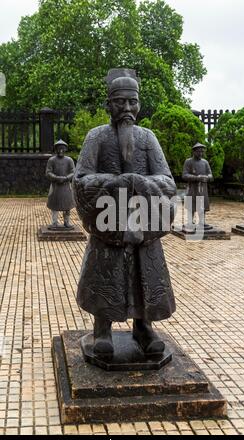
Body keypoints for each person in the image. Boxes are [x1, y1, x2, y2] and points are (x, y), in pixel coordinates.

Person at [73, 69, 176, 357]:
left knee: (145, 273)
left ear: (139, 104)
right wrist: (114, 182)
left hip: (142, 221)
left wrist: (142, 182)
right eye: (120, 102)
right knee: (107, 273)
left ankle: (144, 328)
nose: (127, 109)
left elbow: (167, 181)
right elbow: (81, 179)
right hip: (109, 222)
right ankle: (101, 329)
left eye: (133, 102)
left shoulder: (148, 138)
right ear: (109, 105)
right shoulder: (97, 137)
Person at [182, 143, 213, 229]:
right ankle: (190, 221)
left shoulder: (205, 162)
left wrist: (207, 177)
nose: (201, 153)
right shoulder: (188, 161)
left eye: (202, 152)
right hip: (192, 187)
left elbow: (210, 175)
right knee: (191, 205)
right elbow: (184, 175)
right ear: (194, 152)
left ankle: (202, 222)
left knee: (202, 205)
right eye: (199, 152)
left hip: (203, 188)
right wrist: (196, 178)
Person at [46, 140, 75, 228]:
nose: (60, 150)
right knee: (54, 205)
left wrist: (66, 178)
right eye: (58, 148)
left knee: (67, 205)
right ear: (56, 149)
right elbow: (48, 172)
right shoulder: (51, 160)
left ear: (65, 149)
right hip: (55, 186)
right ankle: (54, 222)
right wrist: (56, 178)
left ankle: (67, 222)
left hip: (66, 186)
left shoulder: (69, 160)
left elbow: (73, 172)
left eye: (62, 148)